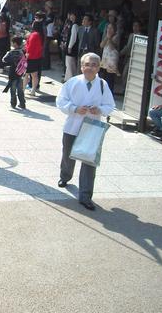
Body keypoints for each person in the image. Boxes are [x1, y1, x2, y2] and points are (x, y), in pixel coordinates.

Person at [56, 53, 115, 211]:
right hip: (72, 127)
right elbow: (61, 101)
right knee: (68, 154)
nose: (90, 67)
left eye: (94, 65)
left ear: (99, 67)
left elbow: (110, 106)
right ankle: (65, 176)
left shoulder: (103, 84)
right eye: (87, 64)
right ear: (82, 66)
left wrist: (100, 110)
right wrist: (74, 109)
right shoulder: (72, 82)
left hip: (92, 129)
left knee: (89, 162)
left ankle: (85, 196)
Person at [2, 37, 26, 109]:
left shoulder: (11, 52)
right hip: (20, 73)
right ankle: (22, 104)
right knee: (20, 89)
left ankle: (13, 104)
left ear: (15, 44)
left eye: (12, 42)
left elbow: (4, 60)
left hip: (12, 73)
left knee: (13, 89)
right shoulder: (22, 52)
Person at [24, 21, 44, 97]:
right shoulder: (40, 35)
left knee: (26, 75)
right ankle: (33, 90)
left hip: (31, 57)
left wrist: (27, 55)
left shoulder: (34, 35)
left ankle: (22, 90)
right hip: (37, 57)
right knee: (35, 75)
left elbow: (30, 47)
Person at [99, 23, 120, 94]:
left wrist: (110, 38)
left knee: (110, 79)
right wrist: (107, 37)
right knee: (103, 78)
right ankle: (103, 93)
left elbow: (112, 47)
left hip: (112, 61)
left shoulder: (116, 37)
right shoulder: (106, 36)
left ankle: (109, 94)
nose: (109, 30)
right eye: (108, 28)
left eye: (111, 28)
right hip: (105, 60)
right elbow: (101, 45)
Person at [63, 12, 80, 81]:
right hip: (70, 46)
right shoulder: (72, 24)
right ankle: (67, 78)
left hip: (72, 47)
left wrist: (70, 46)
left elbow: (73, 37)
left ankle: (69, 79)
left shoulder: (75, 25)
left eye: (72, 15)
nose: (70, 16)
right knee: (69, 64)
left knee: (70, 64)